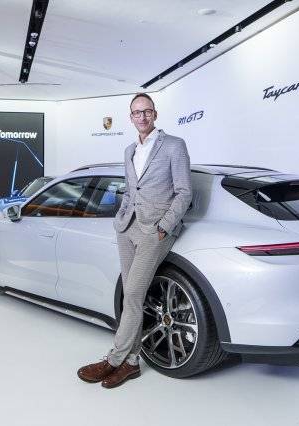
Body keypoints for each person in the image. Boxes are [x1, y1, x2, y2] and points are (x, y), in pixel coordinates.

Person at [77, 93, 192, 388]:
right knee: (132, 296)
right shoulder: (129, 150)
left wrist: (164, 227)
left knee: (132, 294)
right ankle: (131, 364)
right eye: (137, 113)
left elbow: (184, 192)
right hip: (128, 228)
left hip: (155, 230)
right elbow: (131, 190)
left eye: (147, 111)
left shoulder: (174, 145)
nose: (142, 117)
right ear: (131, 118)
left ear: (155, 114)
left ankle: (113, 359)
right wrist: (121, 218)